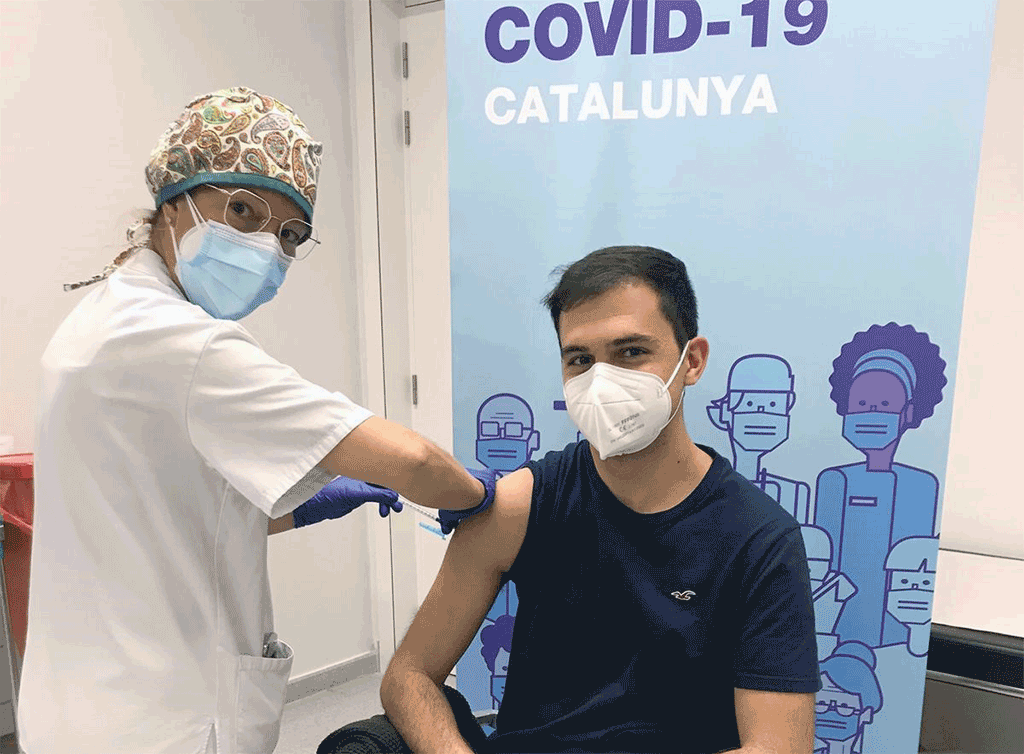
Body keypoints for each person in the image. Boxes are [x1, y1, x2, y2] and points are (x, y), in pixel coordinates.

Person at [20, 87, 495, 754]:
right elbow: (412, 460)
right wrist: (480, 497)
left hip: (79, 705)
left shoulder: (97, 322)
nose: (266, 247)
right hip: (161, 720)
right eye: (243, 210)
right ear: (174, 199)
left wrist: (312, 502)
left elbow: (165, 510)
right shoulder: (185, 345)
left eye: (290, 236)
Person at [372, 246, 820, 753]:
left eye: (631, 352)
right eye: (581, 360)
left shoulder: (760, 539)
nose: (601, 382)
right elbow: (409, 675)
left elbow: (779, 747)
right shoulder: (522, 505)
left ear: (691, 361)